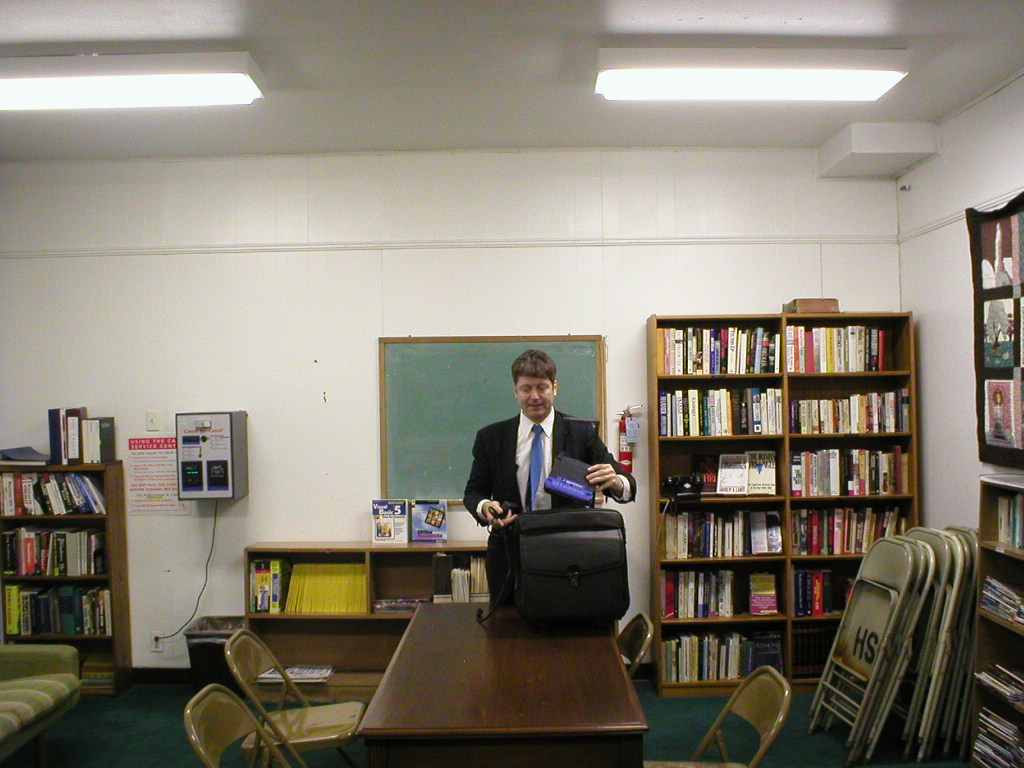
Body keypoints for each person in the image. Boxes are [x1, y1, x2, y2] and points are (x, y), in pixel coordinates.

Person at [463, 349, 636, 603]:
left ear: (555, 388)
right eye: (526, 389)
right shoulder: (491, 438)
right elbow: (474, 493)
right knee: (508, 625)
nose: (534, 396)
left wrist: (617, 482)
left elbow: (626, 485)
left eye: (542, 387)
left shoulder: (581, 432)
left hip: (569, 557)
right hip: (510, 555)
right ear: (515, 391)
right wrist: (485, 507)